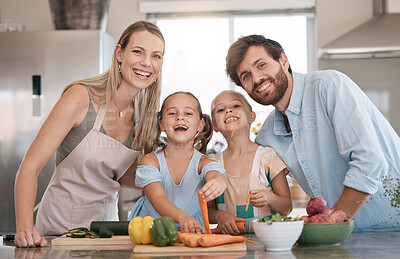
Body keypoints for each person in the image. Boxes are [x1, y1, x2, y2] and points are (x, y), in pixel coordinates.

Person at [225, 34, 400, 232]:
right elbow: (251, 173)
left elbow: (370, 163)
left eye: (261, 65)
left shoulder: (329, 86)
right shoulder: (268, 136)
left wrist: (335, 219)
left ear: (283, 61)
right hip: (344, 237)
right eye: (246, 76)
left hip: (393, 228)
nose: (256, 78)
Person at [14, 21, 165, 248]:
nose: (147, 63)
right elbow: (29, 166)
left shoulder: (143, 118)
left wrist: (179, 169)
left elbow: (120, 177)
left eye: (156, 56)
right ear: (119, 53)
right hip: (58, 231)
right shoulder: (81, 98)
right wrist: (25, 228)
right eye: (138, 51)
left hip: (106, 233)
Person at [128, 91, 228, 233]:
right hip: (153, 232)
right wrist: (182, 218)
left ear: (200, 125)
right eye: (172, 113)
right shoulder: (151, 161)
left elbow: (216, 175)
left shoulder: (203, 163)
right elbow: (157, 199)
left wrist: (219, 182)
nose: (180, 117)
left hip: (193, 232)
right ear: (161, 124)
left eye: (188, 113)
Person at [208, 90, 292, 234]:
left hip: (268, 241)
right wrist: (219, 215)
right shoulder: (211, 165)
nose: (228, 111)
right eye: (221, 110)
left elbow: (287, 207)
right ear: (215, 125)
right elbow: (208, 210)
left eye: (235, 106)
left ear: (251, 116)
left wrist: (270, 198)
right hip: (229, 244)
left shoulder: (268, 157)